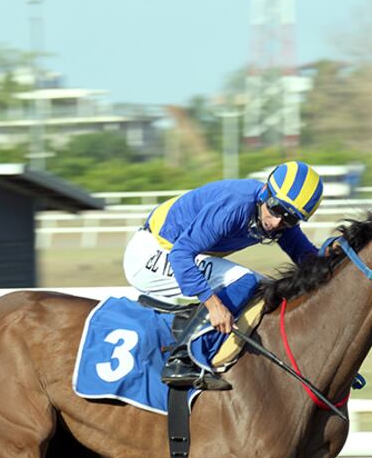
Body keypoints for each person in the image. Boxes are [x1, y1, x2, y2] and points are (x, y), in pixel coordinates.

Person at [123, 160, 324, 389]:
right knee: (245, 280)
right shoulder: (234, 205)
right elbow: (181, 254)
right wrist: (213, 304)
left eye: (290, 218)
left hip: (178, 252)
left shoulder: (277, 214)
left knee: (266, 287)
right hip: (152, 252)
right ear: (266, 193)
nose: (277, 222)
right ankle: (182, 359)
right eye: (276, 210)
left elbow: (308, 259)